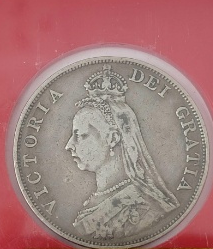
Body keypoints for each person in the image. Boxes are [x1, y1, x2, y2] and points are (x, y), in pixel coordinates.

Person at [65, 65, 179, 239]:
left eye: (80, 135)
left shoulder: (148, 209)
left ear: (113, 138)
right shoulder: (94, 200)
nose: (69, 145)